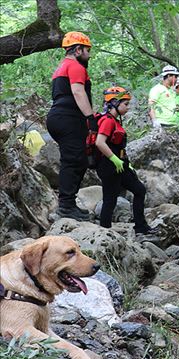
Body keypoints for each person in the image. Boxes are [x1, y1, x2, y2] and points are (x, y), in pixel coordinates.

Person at [46, 31, 96, 221]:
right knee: (72, 160)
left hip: (60, 117)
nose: (88, 55)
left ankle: (69, 203)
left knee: (80, 159)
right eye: (87, 50)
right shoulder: (75, 66)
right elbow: (77, 91)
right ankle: (65, 206)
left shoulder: (61, 67)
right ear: (77, 50)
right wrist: (90, 117)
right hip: (68, 118)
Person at [92, 86, 154, 235]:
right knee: (110, 199)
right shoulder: (107, 121)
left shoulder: (114, 120)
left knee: (139, 190)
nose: (127, 108)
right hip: (109, 165)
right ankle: (104, 232)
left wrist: (126, 163)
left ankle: (141, 227)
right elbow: (100, 142)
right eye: (125, 104)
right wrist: (114, 159)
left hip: (120, 165)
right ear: (114, 103)